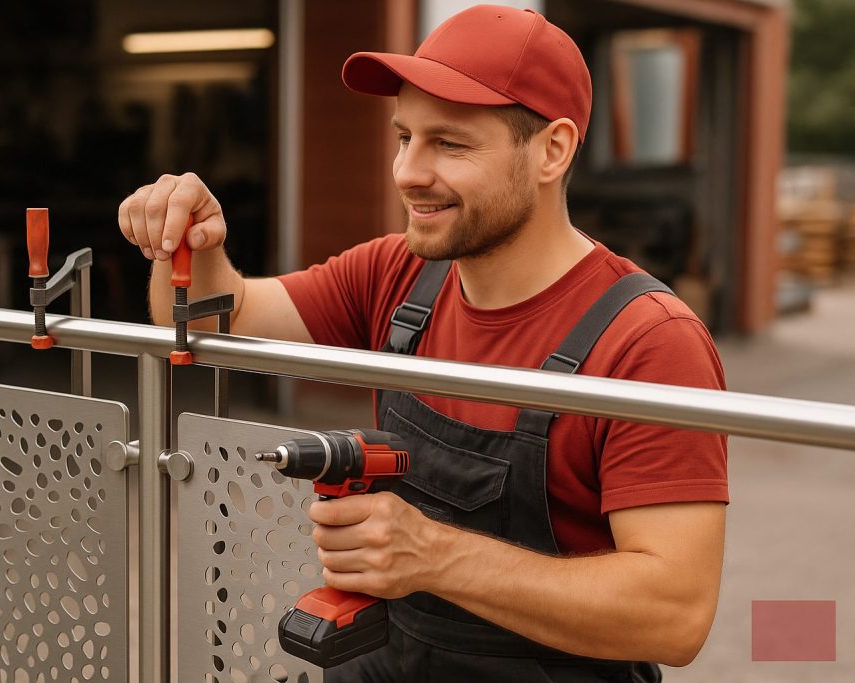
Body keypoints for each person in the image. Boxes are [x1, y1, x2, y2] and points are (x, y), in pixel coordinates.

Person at [117, 5, 728, 681]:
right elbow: (213, 320)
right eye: (404, 136)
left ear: (553, 149)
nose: (408, 170)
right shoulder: (400, 275)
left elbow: (674, 615)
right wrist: (193, 240)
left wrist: (435, 555)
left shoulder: (648, 343)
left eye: (450, 143)